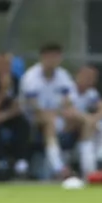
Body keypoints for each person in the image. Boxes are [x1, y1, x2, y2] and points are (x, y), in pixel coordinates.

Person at [19, 43, 77, 179]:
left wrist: (68, 113)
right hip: (32, 118)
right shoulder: (31, 76)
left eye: (56, 56)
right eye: (50, 56)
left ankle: (88, 169)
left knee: (85, 121)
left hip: (57, 116)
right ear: (43, 57)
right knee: (49, 122)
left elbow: (68, 101)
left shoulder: (63, 75)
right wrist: (56, 113)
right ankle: (59, 169)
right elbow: (34, 107)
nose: (53, 60)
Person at [71, 65, 102, 177]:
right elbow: (68, 111)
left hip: (84, 125)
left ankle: (98, 158)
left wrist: (94, 118)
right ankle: (88, 170)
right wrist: (88, 119)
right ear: (78, 75)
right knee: (88, 124)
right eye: (86, 76)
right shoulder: (68, 89)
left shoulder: (91, 93)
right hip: (64, 124)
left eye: (92, 78)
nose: (89, 80)